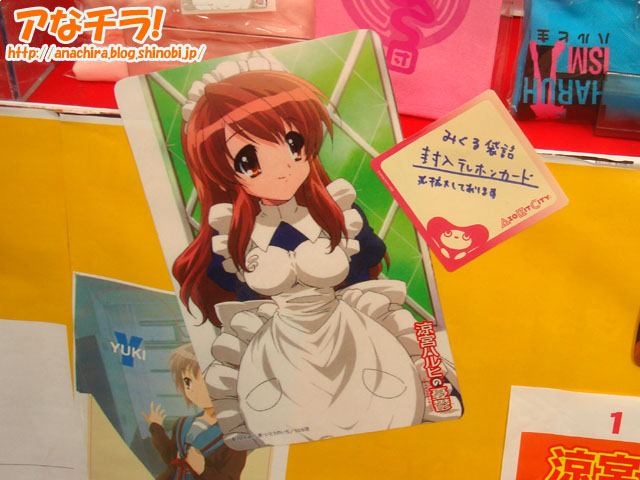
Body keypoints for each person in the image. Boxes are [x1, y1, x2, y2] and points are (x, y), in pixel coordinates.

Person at [173, 58, 430, 448]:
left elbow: (368, 260)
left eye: (294, 145)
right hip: (278, 350)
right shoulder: (231, 233)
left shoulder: (337, 210)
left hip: (351, 335)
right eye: (249, 161)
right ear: (222, 169)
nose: (283, 169)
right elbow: (224, 285)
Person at [142, 344, 247, 479]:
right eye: (188, 382)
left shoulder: (235, 436)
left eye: (205, 382)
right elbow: (170, 456)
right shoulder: (182, 424)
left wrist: (202, 470)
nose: (193, 390)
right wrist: (156, 427)